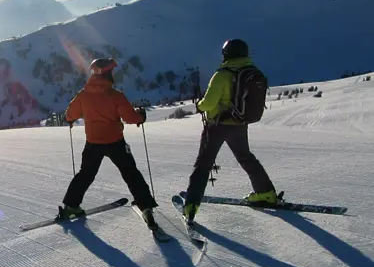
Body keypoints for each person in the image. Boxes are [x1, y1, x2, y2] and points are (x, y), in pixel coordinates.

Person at [182, 39, 277, 223]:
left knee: (203, 164)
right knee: (246, 157)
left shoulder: (222, 75)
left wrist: (200, 106)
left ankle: (191, 205)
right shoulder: (251, 72)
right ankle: (266, 193)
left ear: (226, 54)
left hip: (217, 125)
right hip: (239, 124)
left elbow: (209, 102)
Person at [62, 57, 161, 231]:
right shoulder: (116, 96)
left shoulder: (83, 95)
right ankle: (145, 206)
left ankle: (71, 206)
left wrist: (69, 119)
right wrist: (141, 116)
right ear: (108, 74)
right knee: (131, 173)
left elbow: (70, 114)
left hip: (93, 142)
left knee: (85, 174)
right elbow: (131, 118)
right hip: (115, 141)